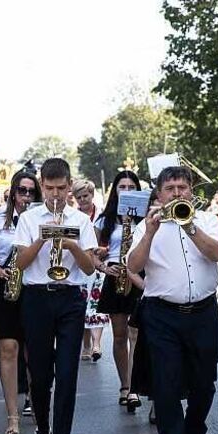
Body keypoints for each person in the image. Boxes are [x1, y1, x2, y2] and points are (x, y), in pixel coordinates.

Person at [127, 165, 218, 434]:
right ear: (158, 193)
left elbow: (217, 253)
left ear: (191, 191)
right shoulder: (147, 227)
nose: (176, 193)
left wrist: (189, 227)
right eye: (169, 189)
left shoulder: (208, 220)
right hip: (162, 315)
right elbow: (133, 265)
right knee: (166, 385)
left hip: (203, 313)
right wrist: (150, 232)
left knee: (204, 383)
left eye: (182, 188)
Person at [14, 157, 97, 434]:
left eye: (61, 188)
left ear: (69, 185)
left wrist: (71, 242)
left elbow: (89, 267)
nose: (55, 195)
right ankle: (43, 432)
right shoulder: (29, 217)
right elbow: (20, 264)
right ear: (41, 185)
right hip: (37, 298)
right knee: (40, 374)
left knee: (67, 374)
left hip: (70, 298)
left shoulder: (81, 219)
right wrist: (43, 237)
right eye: (49, 188)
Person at [0, 170, 40, 434]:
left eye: (31, 192)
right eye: (22, 191)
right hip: (5, 287)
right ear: (13, 192)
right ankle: (13, 416)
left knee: (33, 352)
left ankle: (39, 409)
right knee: (8, 347)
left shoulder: (41, 220)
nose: (26, 197)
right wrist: (0, 272)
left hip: (33, 289)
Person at [93, 170, 144, 410]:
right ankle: (124, 385)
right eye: (122, 187)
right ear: (115, 190)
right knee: (120, 334)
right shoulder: (105, 220)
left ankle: (135, 387)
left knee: (137, 334)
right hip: (115, 275)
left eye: (131, 187)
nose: (126, 191)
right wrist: (103, 266)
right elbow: (90, 252)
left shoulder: (146, 217)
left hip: (140, 275)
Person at [72, 179, 109, 361]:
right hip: (80, 266)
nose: (82, 200)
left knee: (95, 304)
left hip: (101, 266)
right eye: (78, 197)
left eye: (85, 196)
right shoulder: (72, 217)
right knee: (82, 306)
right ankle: (86, 345)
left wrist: (105, 249)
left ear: (92, 195)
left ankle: (96, 344)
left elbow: (112, 240)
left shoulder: (102, 216)